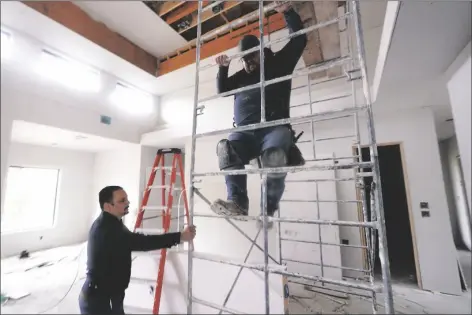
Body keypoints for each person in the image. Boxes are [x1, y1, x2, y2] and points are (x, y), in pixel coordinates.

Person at [211, 2, 307, 224]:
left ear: (261, 52)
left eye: (251, 58)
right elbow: (223, 90)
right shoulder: (242, 75)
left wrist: (288, 13)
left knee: (275, 155)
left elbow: (299, 40)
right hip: (244, 133)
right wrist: (223, 68)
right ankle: (237, 203)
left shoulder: (279, 63)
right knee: (226, 148)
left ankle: (267, 210)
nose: (247, 63)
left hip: (273, 128)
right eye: (244, 59)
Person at [79, 186, 196, 315]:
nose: (127, 203)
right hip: (100, 300)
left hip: (104, 295)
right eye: (122, 200)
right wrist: (180, 236)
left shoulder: (110, 223)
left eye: (127, 199)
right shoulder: (109, 229)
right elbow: (144, 242)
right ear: (108, 206)